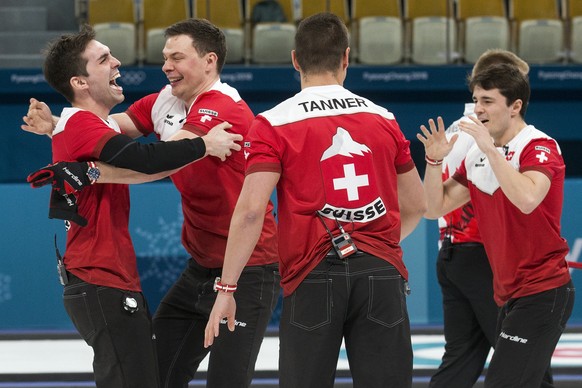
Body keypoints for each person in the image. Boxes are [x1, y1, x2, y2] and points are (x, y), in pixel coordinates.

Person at [25, 18, 280, 388]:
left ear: (210, 61)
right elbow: (104, 128)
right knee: (151, 374)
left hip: (248, 267)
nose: (165, 66)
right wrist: (59, 126)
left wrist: (90, 172)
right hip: (201, 267)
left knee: (226, 380)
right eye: (164, 57)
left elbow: (159, 162)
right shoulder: (165, 100)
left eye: (177, 57)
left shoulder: (221, 107)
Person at [204, 12, 426, 388]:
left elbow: (250, 211)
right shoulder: (383, 118)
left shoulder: (273, 122)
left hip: (313, 276)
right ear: (346, 59)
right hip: (381, 274)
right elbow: (418, 205)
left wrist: (227, 289)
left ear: (295, 59)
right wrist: (376, 247)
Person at [417, 63, 575, 387]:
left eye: (488, 101)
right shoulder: (476, 155)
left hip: (543, 290)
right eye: (476, 100)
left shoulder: (540, 147)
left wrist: (491, 149)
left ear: (515, 106)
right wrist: (434, 163)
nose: (478, 109)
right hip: (508, 294)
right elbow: (434, 208)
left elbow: (528, 198)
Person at [429, 49, 530, 388]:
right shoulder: (478, 137)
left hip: (455, 252)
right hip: (480, 255)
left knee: (462, 358)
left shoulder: (463, 130)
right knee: (522, 357)